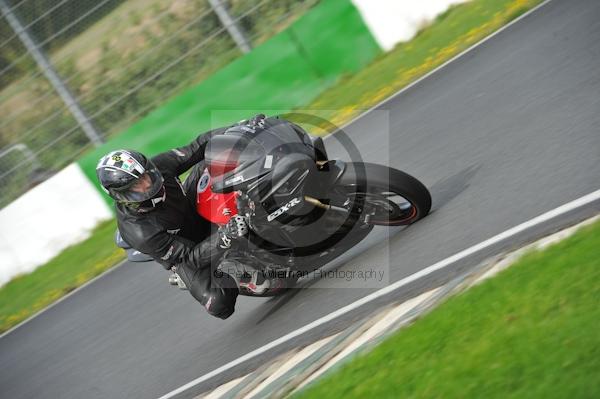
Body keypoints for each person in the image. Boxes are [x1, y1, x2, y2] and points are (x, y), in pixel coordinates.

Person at [96, 125, 247, 319]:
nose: (146, 184)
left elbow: (198, 146)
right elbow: (189, 257)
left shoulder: (158, 167)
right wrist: (224, 237)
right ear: (121, 194)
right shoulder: (140, 231)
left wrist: (238, 128)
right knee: (219, 304)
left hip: (191, 206)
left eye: (144, 176)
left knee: (211, 162)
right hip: (187, 251)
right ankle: (239, 272)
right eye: (136, 185)